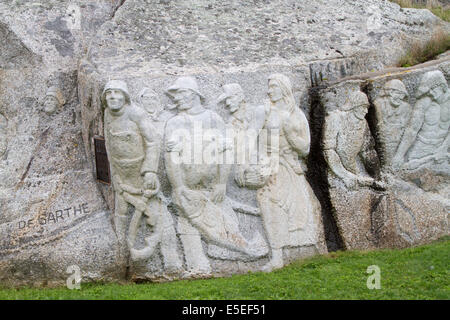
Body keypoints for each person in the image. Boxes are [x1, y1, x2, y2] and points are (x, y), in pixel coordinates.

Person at [164, 76, 267, 274]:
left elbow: (226, 151)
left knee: (222, 224)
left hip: (212, 187)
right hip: (187, 188)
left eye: (181, 93)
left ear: (193, 95)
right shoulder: (174, 123)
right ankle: (198, 266)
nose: (177, 99)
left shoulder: (212, 118)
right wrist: (178, 187)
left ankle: (249, 251)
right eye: (175, 95)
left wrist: (221, 183)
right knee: (187, 227)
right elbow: (171, 159)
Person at [103, 80, 182, 272]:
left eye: (117, 92)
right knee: (120, 217)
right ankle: (122, 259)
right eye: (109, 93)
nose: (113, 97)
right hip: (122, 178)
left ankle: (172, 262)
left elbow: (153, 142)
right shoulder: (107, 114)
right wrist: (114, 176)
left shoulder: (136, 113)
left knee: (160, 217)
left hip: (141, 175)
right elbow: (108, 145)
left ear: (125, 96)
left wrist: (150, 171)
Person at [257, 74, 321, 272]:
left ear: (284, 89)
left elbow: (305, 148)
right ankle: (276, 257)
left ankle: (306, 251)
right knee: (268, 205)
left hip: (290, 168)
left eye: (273, 86)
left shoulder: (296, 115)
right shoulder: (266, 113)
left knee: (298, 210)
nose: (269, 91)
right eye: (269, 87)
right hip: (271, 168)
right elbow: (259, 140)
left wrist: (289, 133)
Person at [393, 70, 449, 170]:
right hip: (421, 147)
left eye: (432, 89)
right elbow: (412, 129)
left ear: (442, 85)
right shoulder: (424, 102)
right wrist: (399, 155)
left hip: (442, 147)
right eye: (428, 91)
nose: (431, 93)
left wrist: (444, 148)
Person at [324, 91, 380, 189]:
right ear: (354, 105)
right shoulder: (335, 118)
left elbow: (367, 150)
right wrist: (346, 176)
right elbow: (328, 150)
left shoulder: (363, 123)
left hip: (355, 168)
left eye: (367, 108)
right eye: (363, 107)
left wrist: (376, 175)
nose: (366, 111)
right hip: (337, 171)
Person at [218, 83, 268, 188]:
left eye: (230, 98)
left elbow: (251, 136)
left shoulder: (258, 111)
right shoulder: (231, 121)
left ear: (240, 97)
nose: (227, 103)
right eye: (225, 100)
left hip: (261, 164)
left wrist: (241, 164)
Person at [373, 79, 411, 167]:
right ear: (388, 93)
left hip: (399, 140)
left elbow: (406, 127)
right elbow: (380, 124)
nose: (399, 97)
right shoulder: (379, 104)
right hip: (384, 140)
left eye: (402, 94)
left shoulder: (406, 108)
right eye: (396, 93)